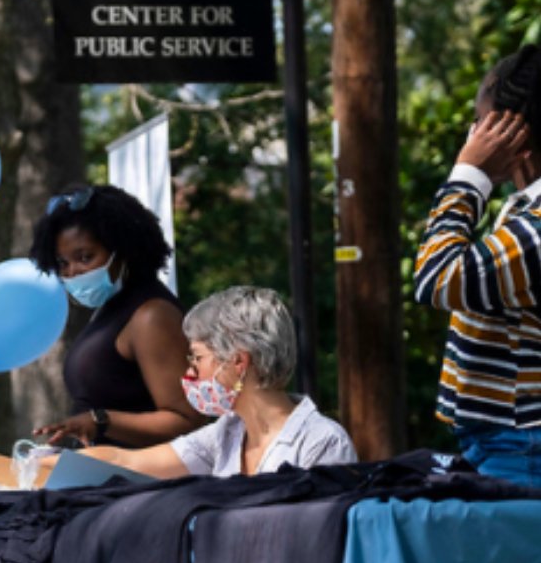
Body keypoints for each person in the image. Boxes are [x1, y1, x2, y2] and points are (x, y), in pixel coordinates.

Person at [414, 44, 541, 487]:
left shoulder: (537, 228)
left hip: (523, 446)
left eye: (479, 123)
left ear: (513, 133)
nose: (471, 137)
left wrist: (469, 174)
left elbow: (438, 278)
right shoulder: (524, 209)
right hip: (504, 441)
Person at [72, 286, 357, 479]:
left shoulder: (322, 443)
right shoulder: (225, 434)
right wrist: (49, 464)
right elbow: (127, 462)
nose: (190, 371)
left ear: (238, 362)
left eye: (197, 357)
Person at [28, 183, 203, 447]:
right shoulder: (110, 307)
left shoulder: (152, 315)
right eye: (63, 263)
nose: (72, 272)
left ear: (123, 250)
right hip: (97, 469)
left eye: (85, 257)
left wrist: (101, 421)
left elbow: (187, 420)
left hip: (141, 473)